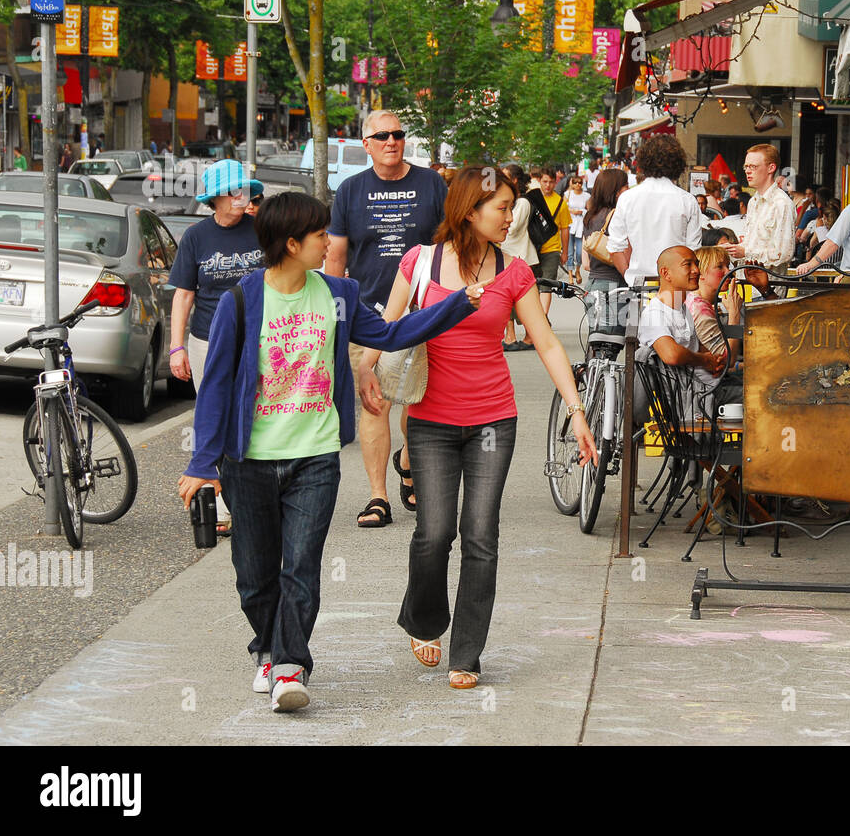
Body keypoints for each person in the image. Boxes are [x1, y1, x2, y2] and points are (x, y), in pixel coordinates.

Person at [177, 191, 479, 713]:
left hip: (314, 456)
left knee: (300, 566)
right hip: (248, 461)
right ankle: (267, 647)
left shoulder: (337, 294)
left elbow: (387, 333)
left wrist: (456, 304)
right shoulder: (242, 301)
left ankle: (291, 665)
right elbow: (219, 386)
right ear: (292, 244)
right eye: (320, 235)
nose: (329, 242)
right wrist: (204, 464)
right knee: (253, 576)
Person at [364, 166, 596, 690]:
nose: (511, 215)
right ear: (470, 210)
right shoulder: (419, 262)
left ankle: (467, 654)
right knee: (434, 531)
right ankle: (423, 620)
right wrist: (365, 371)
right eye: (502, 206)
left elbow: (548, 343)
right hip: (430, 421)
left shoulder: (515, 272)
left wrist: (577, 411)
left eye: (513, 206)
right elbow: (388, 328)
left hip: (493, 417)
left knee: (480, 535)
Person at [326, 109, 448, 528]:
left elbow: (448, 244)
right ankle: (378, 496)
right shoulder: (350, 191)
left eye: (397, 134)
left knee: (420, 400)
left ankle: (409, 459)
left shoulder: (431, 183)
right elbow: (336, 257)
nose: (391, 142)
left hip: (422, 313)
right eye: (381, 136)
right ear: (366, 144)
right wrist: (333, 313)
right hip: (366, 313)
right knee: (373, 402)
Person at [168, 160, 267, 532]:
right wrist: (176, 347)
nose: (244, 196)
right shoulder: (196, 236)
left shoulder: (260, 231)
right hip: (207, 339)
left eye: (246, 190)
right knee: (215, 418)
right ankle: (220, 502)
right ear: (217, 198)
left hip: (257, 341)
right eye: (236, 190)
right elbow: (184, 295)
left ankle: (253, 497)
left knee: (254, 418)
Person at [607, 136, 702, 288]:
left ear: (644, 162)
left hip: (639, 284)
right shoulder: (687, 200)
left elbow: (615, 247)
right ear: (678, 163)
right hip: (675, 285)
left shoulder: (627, 198)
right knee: (675, 312)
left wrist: (629, 276)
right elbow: (694, 250)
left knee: (637, 313)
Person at [637, 246, 730, 402]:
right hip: (695, 397)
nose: (696, 270)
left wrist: (716, 361)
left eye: (697, 264)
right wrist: (705, 360)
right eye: (688, 265)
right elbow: (672, 355)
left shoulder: (683, 308)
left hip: (709, 388)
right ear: (666, 273)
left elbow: (701, 350)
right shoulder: (654, 314)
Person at [727, 144, 795, 295]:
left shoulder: (782, 203)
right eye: (746, 167)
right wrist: (734, 249)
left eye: (753, 166)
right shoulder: (753, 201)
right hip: (746, 286)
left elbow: (784, 253)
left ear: (771, 168)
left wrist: (746, 251)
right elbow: (753, 241)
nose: (748, 171)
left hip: (769, 289)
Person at [497, 164, 538, 351]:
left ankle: (530, 336)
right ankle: (511, 336)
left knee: (523, 300)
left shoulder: (522, 203)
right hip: (510, 254)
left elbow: (512, 230)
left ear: (514, 180)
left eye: (505, 177)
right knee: (508, 298)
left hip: (522, 256)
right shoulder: (513, 202)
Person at [688, 245, 742, 364]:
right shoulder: (699, 309)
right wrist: (734, 314)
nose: (728, 272)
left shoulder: (694, 300)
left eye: (728, 266)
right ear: (700, 273)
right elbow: (728, 360)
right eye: (719, 267)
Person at [528, 166, 573, 314]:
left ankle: (543, 317)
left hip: (552, 249)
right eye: (545, 181)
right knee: (532, 285)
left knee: (546, 285)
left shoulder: (561, 202)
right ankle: (535, 316)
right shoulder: (531, 199)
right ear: (539, 181)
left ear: (556, 182)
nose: (548, 185)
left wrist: (565, 252)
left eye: (551, 182)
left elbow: (565, 229)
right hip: (532, 249)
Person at [581, 167, 628, 298]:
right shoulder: (617, 217)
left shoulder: (589, 216)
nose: (628, 190)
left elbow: (586, 264)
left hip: (592, 285)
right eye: (626, 186)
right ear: (616, 191)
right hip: (614, 287)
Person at [565, 175, 589, 283]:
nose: (578, 185)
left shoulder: (586, 196)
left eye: (579, 182)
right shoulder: (568, 194)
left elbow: (590, 209)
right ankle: (570, 275)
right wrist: (572, 211)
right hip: (570, 224)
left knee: (579, 252)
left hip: (581, 226)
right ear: (572, 184)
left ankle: (577, 270)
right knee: (569, 252)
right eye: (575, 182)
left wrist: (582, 212)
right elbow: (563, 208)